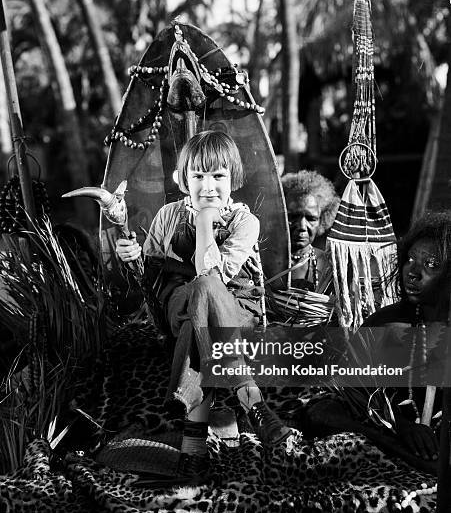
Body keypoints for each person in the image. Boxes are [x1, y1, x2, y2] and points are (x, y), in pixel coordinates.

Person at [116, 130, 292, 485]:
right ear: (182, 181)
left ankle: (191, 450)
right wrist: (131, 258)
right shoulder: (167, 216)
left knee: (206, 295)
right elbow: (149, 277)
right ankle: (251, 398)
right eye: (197, 175)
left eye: (217, 175)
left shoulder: (245, 222)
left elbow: (213, 273)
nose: (208, 185)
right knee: (197, 294)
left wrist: (205, 219)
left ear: (233, 179)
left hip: (236, 310)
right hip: (178, 306)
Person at [304, 211, 451, 469]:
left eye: (431, 264)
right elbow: (336, 399)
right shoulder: (385, 323)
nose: (413, 273)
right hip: (386, 444)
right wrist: (399, 427)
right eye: (410, 260)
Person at [281, 170, 339, 292]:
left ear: (322, 219)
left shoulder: (328, 265)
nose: (302, 226)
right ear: (279, 216)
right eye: (293, 217)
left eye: (311, 219)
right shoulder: (264, 261)